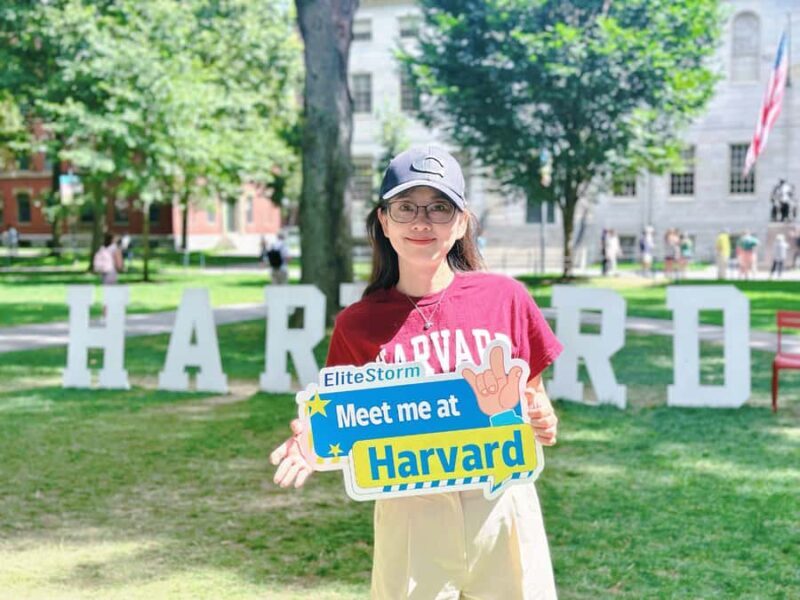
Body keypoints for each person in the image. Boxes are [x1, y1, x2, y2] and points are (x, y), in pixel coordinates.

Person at [270, 146, 562, 599]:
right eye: (406, 207)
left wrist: (541, 414)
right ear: (384, 221)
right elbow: (344, 420)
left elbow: (533, 393)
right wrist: (315, 442)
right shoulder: (357, 324)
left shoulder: (506, 297)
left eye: (438, 207)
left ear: (462, 220)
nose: (421, 222)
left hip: (501, 505)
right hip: (411, 516)